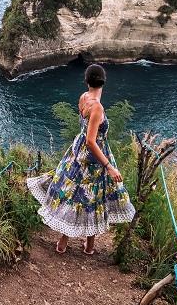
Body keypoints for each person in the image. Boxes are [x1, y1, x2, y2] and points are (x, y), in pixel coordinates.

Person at [26, 63, 136, 254]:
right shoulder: (98, 108)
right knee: (93, 197)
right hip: (93, 158)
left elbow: (84, 133)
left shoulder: (84, 98)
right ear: (104, 81)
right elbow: (91, 141)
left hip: (77, 154)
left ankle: (62, 242)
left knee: (72, 193)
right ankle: (89, 245)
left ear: (86, 81)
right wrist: (109, 166)